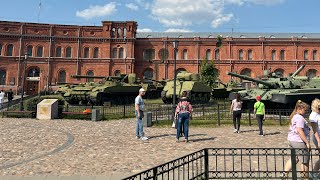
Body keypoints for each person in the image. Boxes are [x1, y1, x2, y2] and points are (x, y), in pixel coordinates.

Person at [282, 100, 310, 179]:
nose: (306, 112)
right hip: (299, 141)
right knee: (305, 161)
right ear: (300, 109)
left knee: (295, 158)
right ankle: (305, 177)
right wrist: (307, 142)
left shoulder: (294, 116)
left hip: (292, 140)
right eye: (305, 110)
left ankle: (285, 174)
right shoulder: (300, 118)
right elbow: (299, 130)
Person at [309, 98, 320, 176]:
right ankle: (314, 172)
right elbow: (314, 130)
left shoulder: (318, 114)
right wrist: (319, 141)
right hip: (318, 137)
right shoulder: (313, 115)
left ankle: (314, 172)